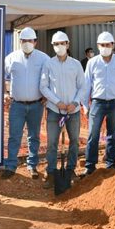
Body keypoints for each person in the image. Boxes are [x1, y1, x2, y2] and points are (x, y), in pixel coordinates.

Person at [1, 27, 49, 179]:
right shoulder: (11, 57)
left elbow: (51, 77)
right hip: (17, 104)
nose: (27, 43)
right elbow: (1, 74)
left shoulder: (44, 58)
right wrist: (4, 93)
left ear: (35, 42)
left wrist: (47, 96)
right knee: (14, 136)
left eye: (30, 40)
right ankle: (10, 166)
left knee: (34, 136)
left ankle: (32, 165)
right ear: (20, 42)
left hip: (37, 104)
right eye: (24, 41)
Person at [40, 31, 86, 188]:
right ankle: (51, 171)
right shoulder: (48, 64)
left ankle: (70, 170)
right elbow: (43, 87)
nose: (59, 46)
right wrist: (57, 102)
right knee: (52, 142)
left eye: (62, 43)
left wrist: (75, 102)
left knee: (74, 141)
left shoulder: (76, 64)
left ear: (68, 44)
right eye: (56, 44)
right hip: (54, 110)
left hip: (73, 111)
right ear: (53, 46)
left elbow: (83, 86)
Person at [81, 31, 115, 176]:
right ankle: (90, 166)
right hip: (97, 103)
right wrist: (85, 106)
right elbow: (86, 85)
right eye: (102, 45)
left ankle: (110, 164)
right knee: (93, 135)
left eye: (107, 45)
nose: (105, 47)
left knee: (113, 136)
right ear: (98, 46)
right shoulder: (92, 62)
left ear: (112, 45)